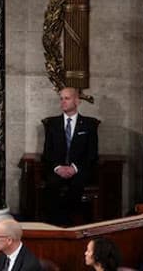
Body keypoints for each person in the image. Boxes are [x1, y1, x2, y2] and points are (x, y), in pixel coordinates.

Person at [40, 86, 99, 225]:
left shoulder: (89, 125)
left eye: (67, 98)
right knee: (52, 183)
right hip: (57, 169)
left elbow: (92, 154)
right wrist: (58, 168)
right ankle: (54, 224)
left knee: (77, 184)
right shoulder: (52, 124)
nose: (63, 102)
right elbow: (47, 153)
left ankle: (72, 222)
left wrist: (74, 168)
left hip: (79, 170)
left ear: (77, 101)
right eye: (61, 99)